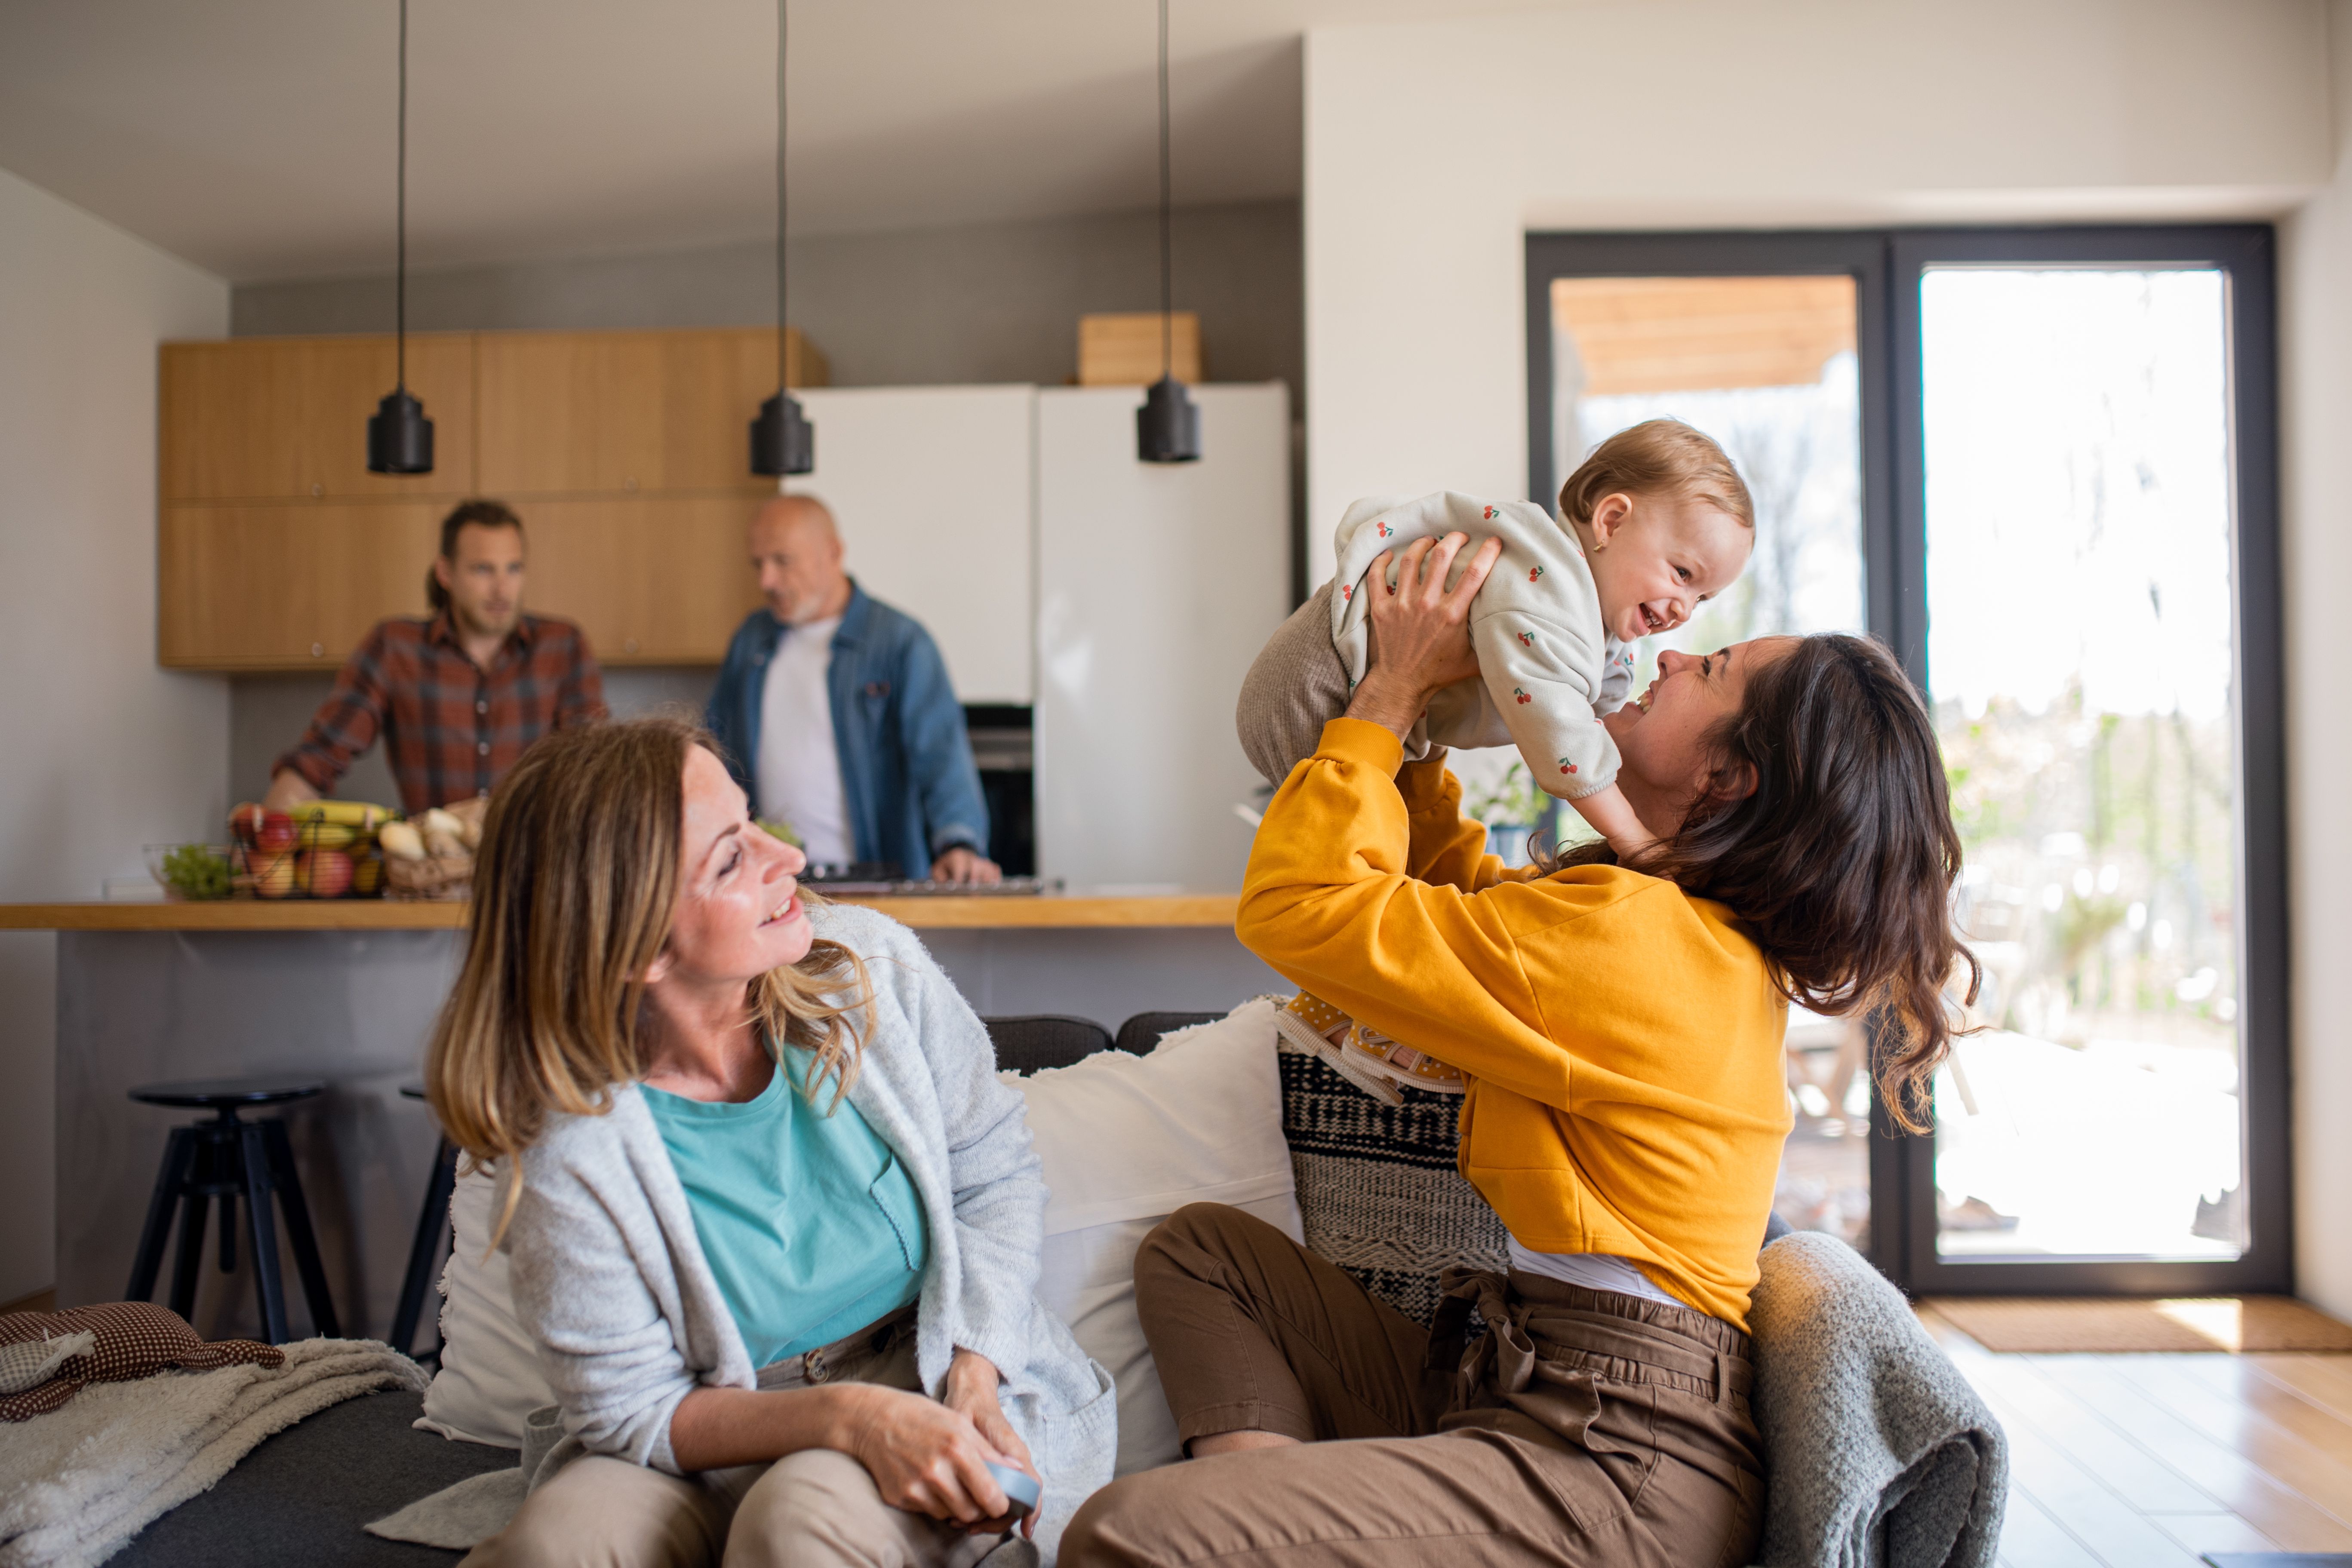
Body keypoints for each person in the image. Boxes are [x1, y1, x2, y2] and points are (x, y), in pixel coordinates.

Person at [1064, 531, 1974, 1568]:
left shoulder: (1643, 945)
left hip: (1618, 1460)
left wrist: (1393, 695)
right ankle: (1267, 1511)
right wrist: (1418, 724)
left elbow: (1298, 909)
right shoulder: (1667, 928)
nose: (1675, 653)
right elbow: (1466, 908)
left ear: (1729, 775)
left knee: (1121, 1531)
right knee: (1207, 1253)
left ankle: (1243, 1531)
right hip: (1526, 1375)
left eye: (1711, 669)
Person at [427, 716, 1114, 1568]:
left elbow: (995, 1178)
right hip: (711, 1428)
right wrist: (844, 1417)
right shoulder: (570, 1141)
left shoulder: (877, 973)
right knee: (560, 1545)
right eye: (730, 856)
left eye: (754, 821)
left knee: (799, 1522)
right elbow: (632, 1408)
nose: (786, 857)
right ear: (637, 943)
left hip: (925, 1373)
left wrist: (975, 1372)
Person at [1237, 420, 1754, 1095]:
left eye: (1704, 600)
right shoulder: (1548, 582)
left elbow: (1593, 704)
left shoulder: (1593, 620)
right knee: (1361, 883)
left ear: (1731, 780)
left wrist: (1398, 694)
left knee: (1368, 890)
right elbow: (1560, 735)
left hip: (1371, 712)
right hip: (1311, 687)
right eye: (1683, 575)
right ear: (1611, 518)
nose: (1683, 622)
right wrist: (1635, 840)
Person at [706, 495, 999, 885]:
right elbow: (715, 754)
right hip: (775, 884)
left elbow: (941, 755)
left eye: (782, 561)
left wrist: (959, 843)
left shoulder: (900, 642)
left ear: (833, 553)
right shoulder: (750, 640)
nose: (766, 581)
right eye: (758, 564)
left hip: (878, 883)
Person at [266, 498, 606, 816]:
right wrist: (265, 837)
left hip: (533, 866)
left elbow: (595, 771)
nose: (502, 590)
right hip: (428, 870)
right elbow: (321, 756)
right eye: (483, 570)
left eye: (514, 569)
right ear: (446, 574)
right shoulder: (394, 647)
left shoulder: (563, 646)